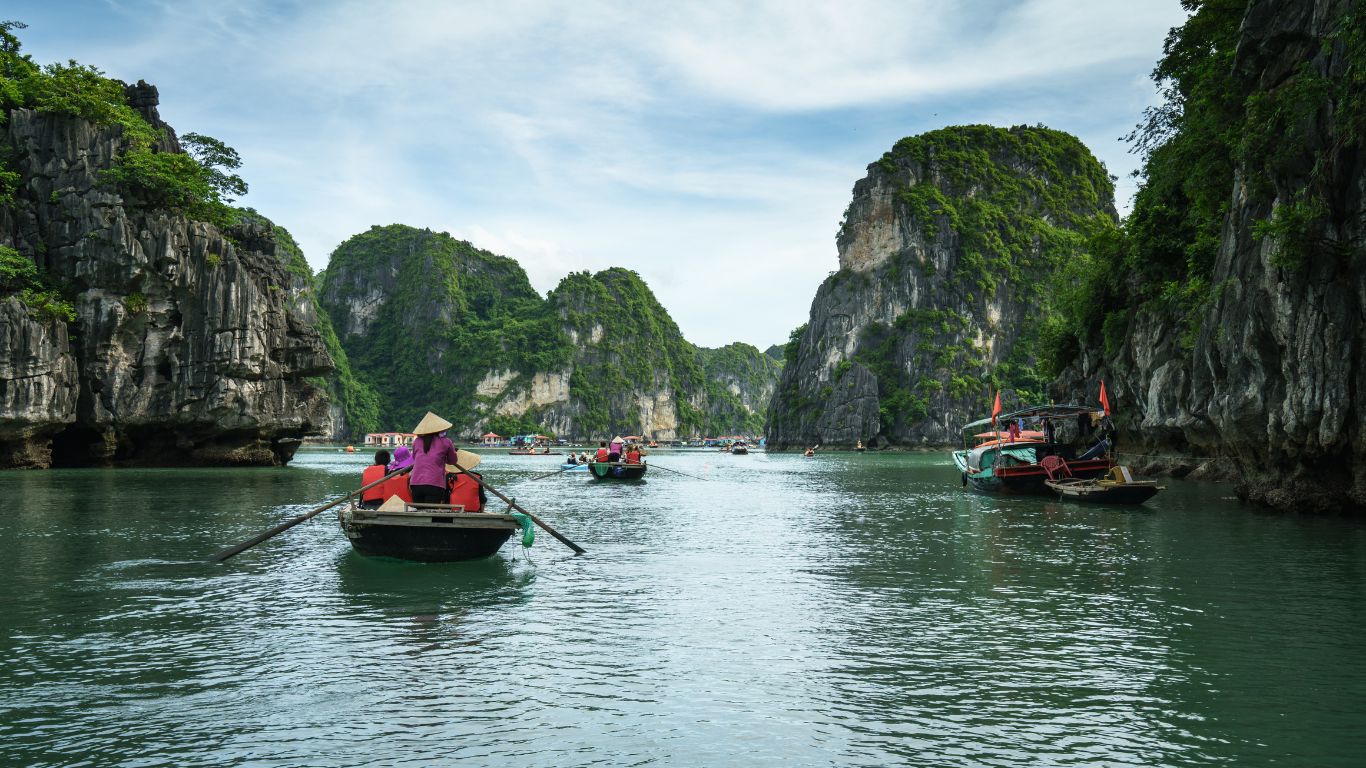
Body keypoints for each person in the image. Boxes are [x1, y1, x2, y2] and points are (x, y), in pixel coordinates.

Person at [409, 412, 462, 504]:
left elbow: (415, 458)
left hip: (415, 483)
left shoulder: (416, 441)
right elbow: (453, 461)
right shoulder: (446, 442)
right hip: (434, 484)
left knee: (420, 512)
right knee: (430, 513)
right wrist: (445, 457)